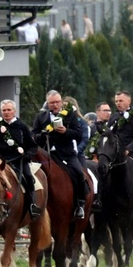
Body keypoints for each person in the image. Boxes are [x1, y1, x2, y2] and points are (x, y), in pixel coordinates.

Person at [32, 91, 86, 220]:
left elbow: (78, 134)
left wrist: (66, 131)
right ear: (47, 104)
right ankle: (33, 204)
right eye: (51, 103)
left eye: (57, 102)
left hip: (66, 153)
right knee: (31, 175)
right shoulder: (41, 117)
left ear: (61, 102)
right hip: (46, 154)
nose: (55, 105)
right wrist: (43, 135)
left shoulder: (70, 115)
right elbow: (33, 136)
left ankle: (80, 204)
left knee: (79, 173)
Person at [0, 99, 41, 219]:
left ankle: (32, 205)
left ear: (14, 111)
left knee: (29, 178)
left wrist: (27, 155)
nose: (6, 112)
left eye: (9, 110)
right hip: (0, 160)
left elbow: (33, 146)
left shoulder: (22, 126)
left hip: (18, 159)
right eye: (4, 110)